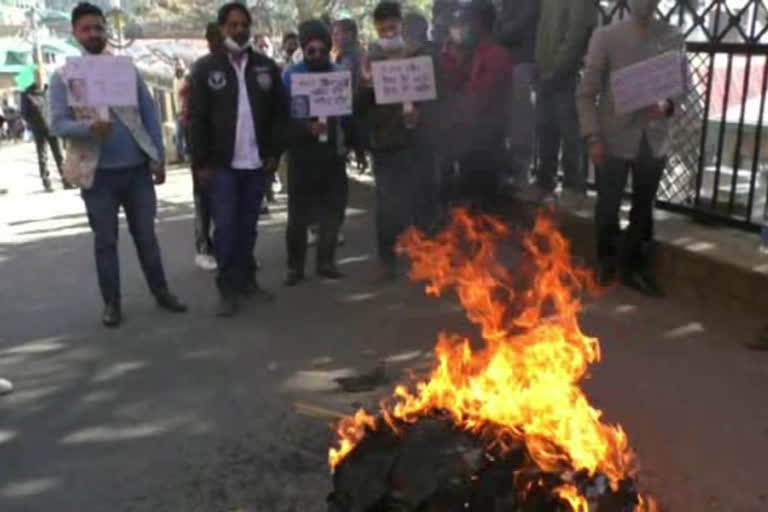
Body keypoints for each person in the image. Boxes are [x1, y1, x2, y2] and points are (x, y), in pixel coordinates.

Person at [50, 2, 187, 327]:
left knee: (146, 236)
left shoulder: (126, 69)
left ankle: (162, 292)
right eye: (86, 28)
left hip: (136, 170)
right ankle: (111, 303)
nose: (94, 33)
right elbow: (56, 123)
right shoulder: (63, 76)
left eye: (98, 27)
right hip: (97, 175)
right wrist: (87, 128)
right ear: (75, 33)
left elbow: (149, 113)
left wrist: (156, 157)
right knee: (105, 241)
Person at [576, 0, 683, 297]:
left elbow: (679, 87)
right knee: (608, 204)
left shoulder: (673, 35)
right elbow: (586, 94)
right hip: (613, 137)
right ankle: (606, 262)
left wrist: (667, 104)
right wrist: (592, 137)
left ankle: (635, 267)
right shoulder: (606, 36)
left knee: (643, 208)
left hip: (654, 137)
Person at [188, 2, 285, 317]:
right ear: (221, 29)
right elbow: (197, 120)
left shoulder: (266, 67)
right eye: (233, 25)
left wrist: (273, 154)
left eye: (244, 24)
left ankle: (247, 282)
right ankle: (227, 289)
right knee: (226, 229)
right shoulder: (205, 69)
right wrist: (200, 164)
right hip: (221, 166)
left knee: (248, 228)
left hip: (256, 164)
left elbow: (278, 117)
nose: (240, 30)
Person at [358, 1, 435, 281]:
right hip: (385, 143)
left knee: (420, 202)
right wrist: (364, 86)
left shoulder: (421, 54)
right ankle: (387, 261)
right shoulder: (370, 59)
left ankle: (423, 260)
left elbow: (436, 95)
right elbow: (358, 106)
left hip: (417, 143)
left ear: (400, 25)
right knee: (387, 206)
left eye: (392, 27)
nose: (388, 33)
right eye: (382, 29)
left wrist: (421, 113)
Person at [283, 20, 357, 286]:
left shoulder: (338, 75)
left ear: (328, 49)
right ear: (304, 50)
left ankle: (326, 262)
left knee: (333, 211)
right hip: (302, 156)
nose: (317, 56)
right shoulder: (291, 76)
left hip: (332, 156)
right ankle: (295, 268)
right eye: (310, 51)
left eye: (322, 50)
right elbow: (282, 115)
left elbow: (349, 115)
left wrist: (352, 142)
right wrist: (306, 127)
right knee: (298, 216)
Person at [440, 1, 513, 212]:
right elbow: (452, 84)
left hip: (486, 148)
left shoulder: (495, 56)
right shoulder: (472, 54)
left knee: (479, 210)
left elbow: (478, 99)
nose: (462, 27)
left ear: (479, 23)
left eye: (466, 21)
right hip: (468, 144)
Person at [534, 0, 596, 203]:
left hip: (567, 74)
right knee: (546, 129)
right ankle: (546, 182)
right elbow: (543, 33)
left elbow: (576, 35)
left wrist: (556, 68)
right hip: (548, 71)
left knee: (571, 133)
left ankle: (573, 187)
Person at [185, 22, 223, 272]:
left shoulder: (238, 67)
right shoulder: (200, 70)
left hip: (230, 152)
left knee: (226, 206)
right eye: (219, 38)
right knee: (204, 204)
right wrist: (199, 160)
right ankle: (203, 248)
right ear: (210, 41)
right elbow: (192, 117)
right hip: (204, 151)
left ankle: (229, 251)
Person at [498, 0, 539, 188]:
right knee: (504, 119)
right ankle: (507, 169)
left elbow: (515, 27)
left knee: (521, 120)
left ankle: (521, 172)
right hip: (505, 61)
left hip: (522, 61)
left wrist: (499, 32)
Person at [21, 78, 70, 192]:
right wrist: (33, 123)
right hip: (39, 130)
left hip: (53, 128)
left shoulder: (50, 91)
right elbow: (24, 113)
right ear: (34, 78)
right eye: (38, 78)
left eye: (42, 78)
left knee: (60, 156)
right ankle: (47, 183)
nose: (40, 81)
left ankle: (66, 181)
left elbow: (58, 106)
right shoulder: (27, 94)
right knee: (43, 157)